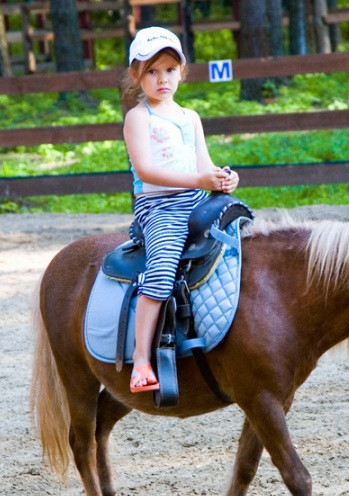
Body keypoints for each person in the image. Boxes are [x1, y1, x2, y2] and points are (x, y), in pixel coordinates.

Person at [122, 27, 239, 393]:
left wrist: (221, 179)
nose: (162, 79)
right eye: (152, 71)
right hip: (160, 206)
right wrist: (198, 181)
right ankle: (141, 359)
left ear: (181, 72)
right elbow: (146, 171)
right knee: (160, 271)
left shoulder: (190, 117)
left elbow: (203, 163)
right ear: (136, 76)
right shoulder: (139, 118)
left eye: (170, 70)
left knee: (242, 234)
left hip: (195, 198)